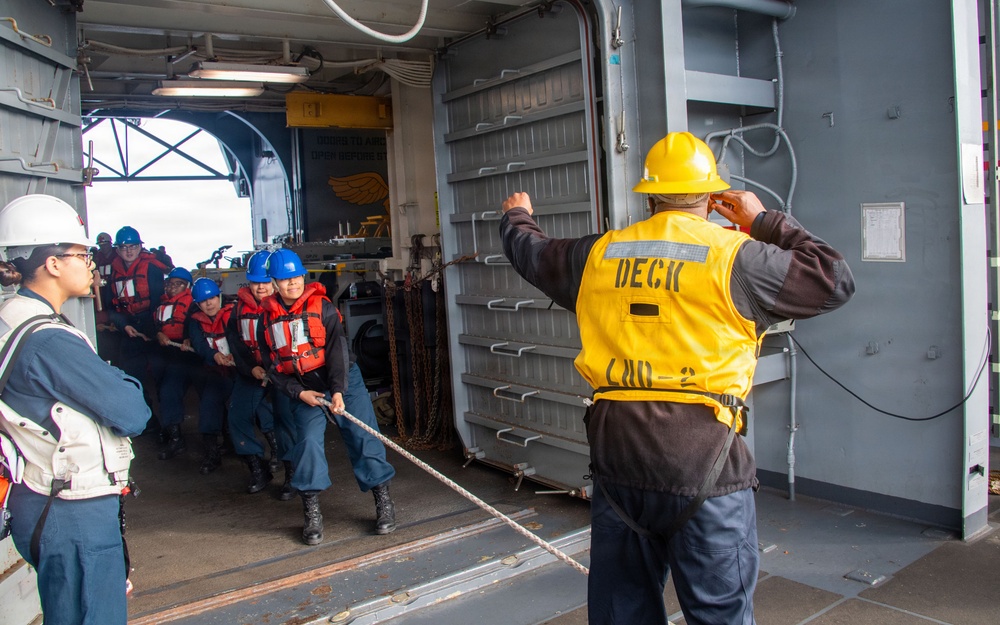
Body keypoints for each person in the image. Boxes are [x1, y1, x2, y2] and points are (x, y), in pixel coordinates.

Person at [499, 131, 856, 625]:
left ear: (649, 195)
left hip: (617, 457)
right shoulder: (738, 258)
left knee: (622, 611)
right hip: (703, 463)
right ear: (712, 199)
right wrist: (762, 220)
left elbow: (531, 253)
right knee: (718, 614)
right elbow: (834, 277)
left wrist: (518, 214)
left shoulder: (599, 254)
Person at [0, 194, 151, 625]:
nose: (91, 265)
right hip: (72, 511)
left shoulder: (13, 317)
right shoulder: (49, 340)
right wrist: (118, 380)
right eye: (82, 254)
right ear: (52, 263)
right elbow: (132, 411)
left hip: (45, 502)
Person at [258, 248, 397, 545]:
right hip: (304, 389)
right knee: (306, 443)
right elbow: (273, 366)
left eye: (295, 277)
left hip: (343, 380)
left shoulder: (322, 307)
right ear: (274, 282)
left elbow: (338, 351)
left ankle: (383, 503)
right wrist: (298, 392)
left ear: (302, 276)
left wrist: (337, 391)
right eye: (284, 279)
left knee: (362, 436)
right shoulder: (266, 320)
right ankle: (311, 512)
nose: (292, 283)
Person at [224, 251, 287, 494]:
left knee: (288, 421)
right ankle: (258, 468)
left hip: (282, 373)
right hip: (252, 371)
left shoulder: (286, 304)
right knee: (237, 416)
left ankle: (291, 473)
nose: (260, 287)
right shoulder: (238, 309)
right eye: (255, 282)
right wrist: (251, 368)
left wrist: (272, 370)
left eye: (265, 281)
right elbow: (235, 341)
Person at [108, 226, 170, 420]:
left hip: (151, 327)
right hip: (129, 329)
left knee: (162, 377)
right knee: (131, 378)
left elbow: (158, 302)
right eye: (124, 247)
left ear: (139, 247)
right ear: (117, 250)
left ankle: (168, 423)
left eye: (133, 246)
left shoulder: (151, 268)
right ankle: (146, 420)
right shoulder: (113, 272)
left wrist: (151, 332)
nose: (129, 251)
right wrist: (124, 326)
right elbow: (111, 308)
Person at [187, 278, 235, 475]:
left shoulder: (233, 315)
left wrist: (236, 356)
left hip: (238, 373)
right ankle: (212, 454)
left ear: (219, 297)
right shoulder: (195, 323)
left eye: (212, 298)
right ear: (198, 305)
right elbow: (199, 344)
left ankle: (265, 454)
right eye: (204, 301)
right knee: (208, 409)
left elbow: (243, 338)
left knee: (256, 411)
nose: (209, 303)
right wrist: (214, 355)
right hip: (214, 374)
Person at [152, 267, 199, 460]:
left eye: (178, 284)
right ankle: (174, 436)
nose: (172, 287)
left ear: (187, 286)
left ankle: (223, 438)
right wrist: (158, 333)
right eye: (170, 284)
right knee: (166, 391)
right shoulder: (160, 306)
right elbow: (154, 325)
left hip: (191, 355)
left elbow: (197, 324)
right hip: (169, 354)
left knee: (210, 395)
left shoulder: (194, 304)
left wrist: (189, 338)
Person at [92, 232, 120, 364]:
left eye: (105, 244)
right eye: (101, 245)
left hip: (115, 292)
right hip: (101, 293)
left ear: (110, 244)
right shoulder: (97, 258)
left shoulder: (117, 256)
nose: (103, 247)